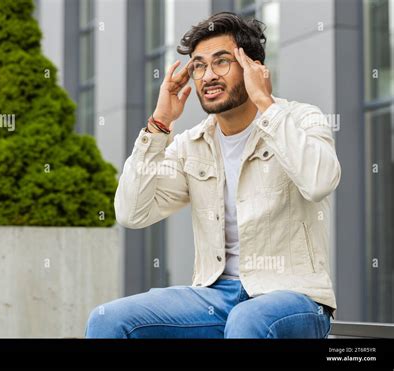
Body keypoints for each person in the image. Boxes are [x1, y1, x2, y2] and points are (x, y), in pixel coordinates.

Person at [85, 11, 340, 339]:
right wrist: (159, 124)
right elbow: (131, 213)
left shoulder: (301, 119)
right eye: (198, 66)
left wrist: (265, 103)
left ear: (253, 68)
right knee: (108, 319)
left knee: (247, 321)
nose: (207, 76)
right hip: (215, 296)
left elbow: (320, 182)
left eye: (221, 62)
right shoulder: (191, 145)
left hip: (295, 297)